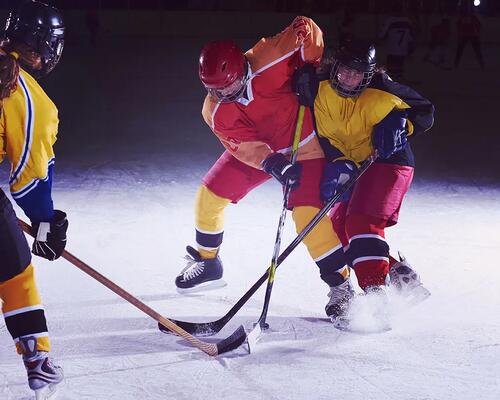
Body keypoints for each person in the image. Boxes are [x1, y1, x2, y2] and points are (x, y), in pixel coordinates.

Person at [174, 17, 359, 320]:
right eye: (215, 89)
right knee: (209, 196)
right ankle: (208, 261)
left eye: (229, 84)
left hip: (306, 146)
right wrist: (272, 163)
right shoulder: (215, 109)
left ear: (241, 69)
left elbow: (306, 27)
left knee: (306, 217)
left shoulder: (270, 55)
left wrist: (308, 66)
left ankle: (341, 286)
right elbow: (242, 146)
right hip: (266, 153)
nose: (224, 93)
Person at [294, 37, 434, 328]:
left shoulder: (382, 88)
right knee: (336, 230)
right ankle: (399, 275)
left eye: (358, 73)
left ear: (369, 74)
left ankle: (375, 296)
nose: (350, 78)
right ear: (334, 67)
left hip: (388, 161)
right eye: (345, 70)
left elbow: (425, 112)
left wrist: (400, 124)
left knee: (360, 222)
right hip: (355, 166)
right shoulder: (317, 89)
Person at [0, 1, 67, 397]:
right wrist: (45, 224)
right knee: (16, 272)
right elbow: (29, 181)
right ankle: (38, 361)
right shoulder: (28, 96)